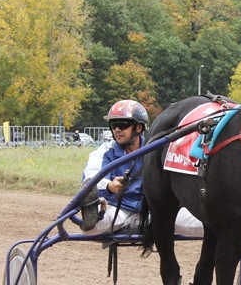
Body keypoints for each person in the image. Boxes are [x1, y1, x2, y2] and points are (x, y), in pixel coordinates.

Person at [79, 99, 203, 237]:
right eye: (113, 125)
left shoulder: (157, 150)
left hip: (156, 211)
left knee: (207, 224)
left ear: (138, 127)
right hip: (120, 210)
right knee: (89, 228)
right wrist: (109, 186)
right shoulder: (105, 151)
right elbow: (90, 177)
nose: (117, 130)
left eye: (122, 124)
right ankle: (94, 213)